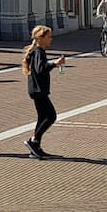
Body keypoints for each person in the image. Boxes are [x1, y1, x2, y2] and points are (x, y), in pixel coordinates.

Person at [22, 25, 66, 159]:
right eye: (48, 37)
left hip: (36, 89)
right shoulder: (39, 51)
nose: (50, 40)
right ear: (40, 38)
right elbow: (41, 68)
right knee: (51, 116)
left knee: (42, 116)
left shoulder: (35, 51)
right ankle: (33, 140)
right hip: (39, 90)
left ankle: (35, 147)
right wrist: (55, 63)